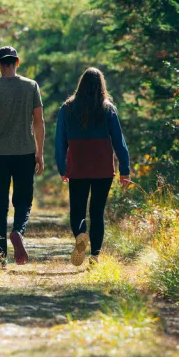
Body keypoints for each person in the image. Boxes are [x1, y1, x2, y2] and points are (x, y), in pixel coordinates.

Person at [54, 67, 130, 267]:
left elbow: (60, 141)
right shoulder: (108, 109)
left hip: (78, 165)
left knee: (77, 210)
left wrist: (62, 167)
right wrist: (125, 169)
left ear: (81, 84)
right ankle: (95, 256)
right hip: (102, 167)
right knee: (97, 212)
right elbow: (119, 141)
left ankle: (80, 234)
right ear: (101, 86)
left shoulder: (67, 108)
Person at [0, 46, 44, 267]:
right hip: (25, 153)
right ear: (17, 62)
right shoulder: (31, 86)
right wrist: (40, 153)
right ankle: (17, 231)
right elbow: (38, 122)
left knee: (0, 204)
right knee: (23, 200)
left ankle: (0, 256)